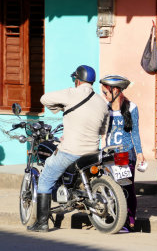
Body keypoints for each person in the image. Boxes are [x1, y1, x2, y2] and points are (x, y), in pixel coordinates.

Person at [28, 65, 109, 232]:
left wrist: (58, 108)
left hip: (71, 150)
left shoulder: (72, 93)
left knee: (46, 178)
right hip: (92, 151)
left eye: (75, 79)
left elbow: (44, 99)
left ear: (77, 80)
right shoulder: (101, 102)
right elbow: (103, 130)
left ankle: (42, 223)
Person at [100, 74, 146, 232]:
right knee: (110, 188)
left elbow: (135, 133)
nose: (104, 96)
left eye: (106, 93)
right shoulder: (105, 108)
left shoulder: (131, 107)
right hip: (108, 155)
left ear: (116, 91)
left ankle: (129, 220)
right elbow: (103, 133)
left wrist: (139, 152)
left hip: (124, 154)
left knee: (126, 188)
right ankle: (114, 218)